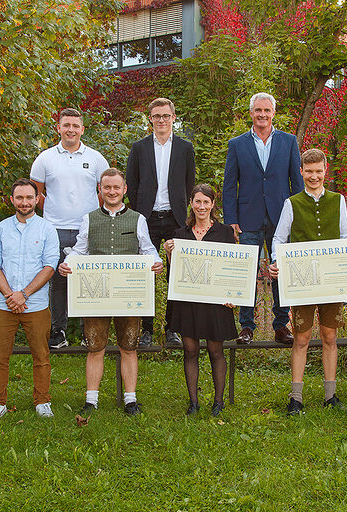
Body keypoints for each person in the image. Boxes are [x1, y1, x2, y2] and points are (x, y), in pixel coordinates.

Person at [269, 149, 347, 415]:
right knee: (301, 338)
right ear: (301, 172)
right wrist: (276, 261)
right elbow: (280, 239)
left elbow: (346, 237)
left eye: (318, 171)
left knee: (329, 336)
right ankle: (296, 397)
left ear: (325, 171)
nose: (314, 176)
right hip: (303, 281)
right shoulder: (292, 203)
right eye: (309, 171)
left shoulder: (338, 200)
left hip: (330, 281)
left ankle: (330, 395)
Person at [58, 168, 163, 416]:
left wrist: (155, 261)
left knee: (129, 346)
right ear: (100, 190)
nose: (112, 192)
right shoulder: (89, 219)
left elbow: (147, 249)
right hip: (97, 294)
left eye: (117, 187)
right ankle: (91, 400)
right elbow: (80, 250)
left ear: (125, 189)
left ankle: (130, 400)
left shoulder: (137, 219)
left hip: (128, 293)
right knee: (95, 347)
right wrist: (67, 263)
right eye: (107, 187)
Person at [222, 92, 303, 345]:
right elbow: (229, 185)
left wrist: (297, 217)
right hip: (248, 217)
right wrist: (231, 219)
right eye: (258, 110)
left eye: (267, 110)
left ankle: (281, 325)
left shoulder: (289, 142)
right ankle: (246, 327)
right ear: (251, 113)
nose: (262, 115)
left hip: (281, 217)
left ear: (273, 113)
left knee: (281, 270)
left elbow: (297, 182)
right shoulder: (237, 144)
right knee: (247, 273)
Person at [31, 108, 110, 350]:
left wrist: (90, 214)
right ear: (58, 128)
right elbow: (36, 193)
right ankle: (58, 330)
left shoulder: (96, 158)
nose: (71, 130)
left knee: (90, 278)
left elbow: (105, 190)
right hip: (54, 228)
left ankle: (90, 331)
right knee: (57, 280)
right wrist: (53, 211)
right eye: (66, 125)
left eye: (75, 126)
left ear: (82, 129)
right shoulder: (45, 158)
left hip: (88, 228)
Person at [0, 179, 59, 420]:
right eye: (19, 198)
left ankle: (42, 401)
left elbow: (49, 266)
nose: (24, 202)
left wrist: (23, 294)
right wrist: (10, 295)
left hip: (35, 305)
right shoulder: (1, 229)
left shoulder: (47, 229)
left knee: (41, 356)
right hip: (3, 304)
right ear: (11, 200)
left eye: (29, 198)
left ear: (37, 199)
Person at [126, 97, 196, 347]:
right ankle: (146, 330)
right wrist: (139, 212)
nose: (161, 120)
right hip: (147, 218)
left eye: (166, 115)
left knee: (175, 276)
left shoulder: (185, 148)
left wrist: (182, 208)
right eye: (157, 116)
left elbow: (189, 183)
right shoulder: (139, 147)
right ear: (151, 119)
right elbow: (131, 184)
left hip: (176, 219)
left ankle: (172, 329)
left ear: (173, 118)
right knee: (146, 275)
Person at [163, 184, 237, 417]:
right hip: (188, 301)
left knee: (216, 351)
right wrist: (168, 253)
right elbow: (172, 274)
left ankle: (218, 402)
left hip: (216, 302)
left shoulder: (225, 233)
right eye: (197, 202)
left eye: (206, 202)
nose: (201, 206)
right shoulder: (180, 234)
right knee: (190, 350)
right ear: (191, 204)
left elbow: (233, 269)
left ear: (213, 204)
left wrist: (232, 295)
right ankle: (193, 403)